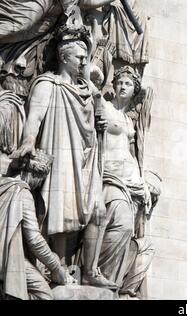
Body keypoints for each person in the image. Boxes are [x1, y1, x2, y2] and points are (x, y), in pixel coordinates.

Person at [11, 26, 115, 288]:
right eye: (80, 57)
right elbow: (34, 116)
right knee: (62, 212)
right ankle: (58, 269)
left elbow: (99, 119)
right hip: (61, 153)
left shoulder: (85, 89)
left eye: (85, 57)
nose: (84, 62)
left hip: (86, 158)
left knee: (98, 211)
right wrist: (27, 142)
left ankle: (89, 270)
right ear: (64, 57)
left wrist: (96, 97)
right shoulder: (48, 83)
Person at [98, 65, 158, 296]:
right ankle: (103, 278)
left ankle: (122, 289)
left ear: (134, 90)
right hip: (110, 178)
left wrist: (143, 183)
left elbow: (130, 153)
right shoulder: (105, 107)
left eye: (128, 84)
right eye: (119, 83)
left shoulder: (128, 120)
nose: (122, 87)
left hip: (131, 183)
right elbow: (89, 88)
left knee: (140, 243)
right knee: (120, 228)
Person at [0, 150, 76, 300]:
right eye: (41, 179)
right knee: (44, 295)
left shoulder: (3, 185)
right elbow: (34, 239)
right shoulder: (22, 192)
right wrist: (56, 267)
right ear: (34, 175)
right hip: (7, 258)